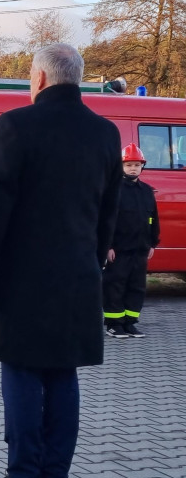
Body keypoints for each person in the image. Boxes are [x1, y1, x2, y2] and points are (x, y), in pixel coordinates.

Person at [0, 43, 122, 478]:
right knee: (63, 373)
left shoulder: (17, 124)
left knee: (21, 370)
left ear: (38, 79)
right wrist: (92, 261)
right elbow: (107, 212)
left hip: (23, 273)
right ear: (78, 78)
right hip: (77, 272)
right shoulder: (105, 133)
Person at [103, 143, 160, 339]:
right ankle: (113, 324)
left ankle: (130, 323)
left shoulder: (146, 190)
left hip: (140, 248)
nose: (133, 168)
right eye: (128, 165)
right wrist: (107, 245)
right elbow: (106, 219)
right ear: (121, 167)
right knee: (115, 285)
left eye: (136, 164)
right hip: (118, 249)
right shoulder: (113, 190)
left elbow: (153, 218)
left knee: (136, 287)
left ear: (142, 166)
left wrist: (153, 242)